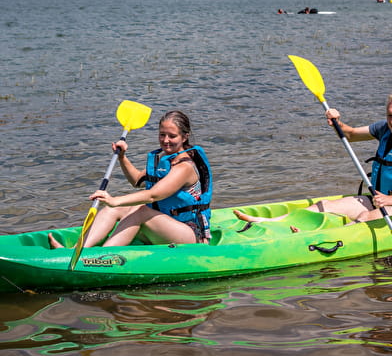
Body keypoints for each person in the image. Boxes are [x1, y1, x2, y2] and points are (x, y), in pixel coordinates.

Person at [49, 110, 213, 248]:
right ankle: (79, 250)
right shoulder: (165, 160)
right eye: (162, 134)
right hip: (164, 226)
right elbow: (136, 180)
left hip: (190, 234)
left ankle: (98, 258)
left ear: (184, 137)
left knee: (140, 210)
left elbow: (153, 195)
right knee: (113, 209)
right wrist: (122, 157)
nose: (165, 140)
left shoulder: (184, 167)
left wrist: (114, 199)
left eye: (172, 136)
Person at [234, 94, 392, 227]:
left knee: (365, 217)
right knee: (324, 205)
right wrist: (337, 122)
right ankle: (269, 222)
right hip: (377, 199)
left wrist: (388, 199)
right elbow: (350, 134)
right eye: (390, 115)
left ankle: (320, 240)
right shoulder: (383, 128)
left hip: (387, 203)